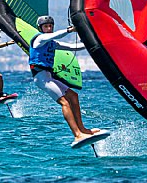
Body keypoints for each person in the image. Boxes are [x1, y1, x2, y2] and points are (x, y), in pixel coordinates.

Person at [29, 15, 100, 144]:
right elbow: (54, 35)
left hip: (48, 76)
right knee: (65, 102)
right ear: (40, 28)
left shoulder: (52, 43)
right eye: (46, 26)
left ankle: (83, 130)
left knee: (73, 96)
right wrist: (69, 30)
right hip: (41, 77)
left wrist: (93, 41)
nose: (49, 28)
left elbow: (73, 47)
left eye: (51, 26)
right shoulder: (40, 38)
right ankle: (77, 135)